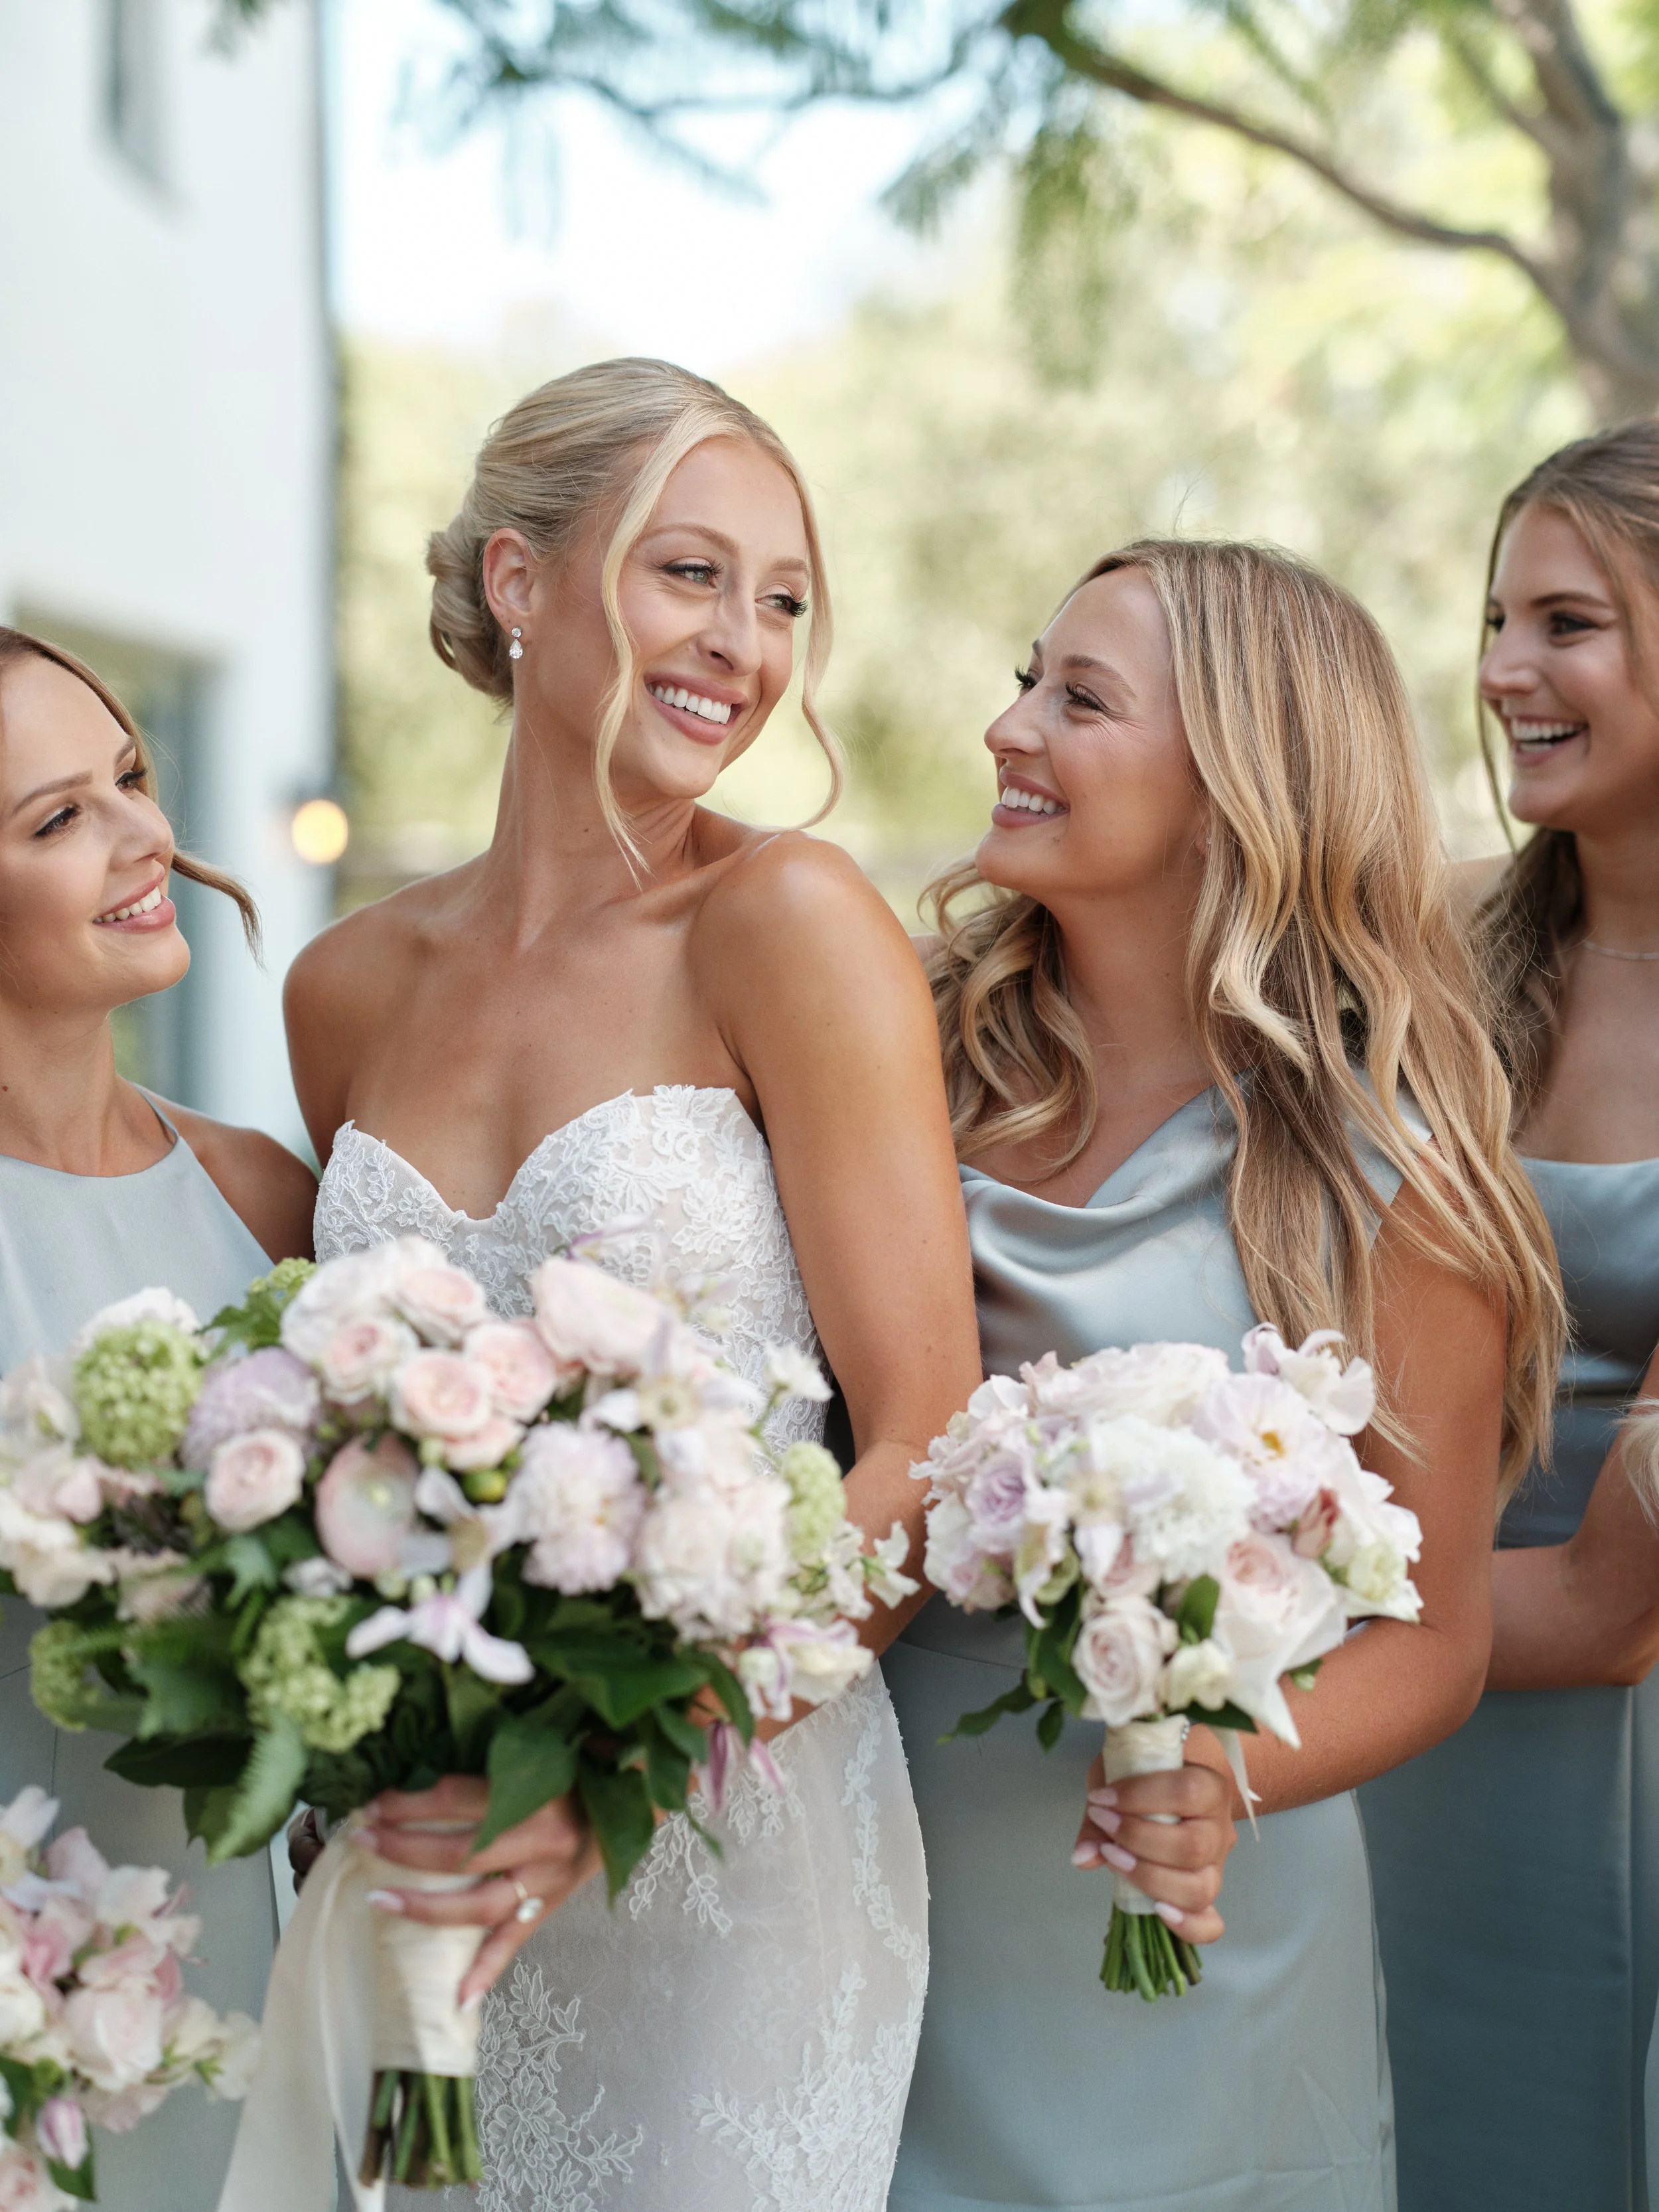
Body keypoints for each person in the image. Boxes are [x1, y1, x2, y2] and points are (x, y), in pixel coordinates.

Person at [281, 360, 1238, 2212]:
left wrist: (613, 1776)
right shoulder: (344, 988)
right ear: (517, 579)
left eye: (784, 597)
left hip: (731, 1848)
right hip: (423, 1853)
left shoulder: (786, 920)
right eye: (689, 573)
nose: (744, 642)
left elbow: (922, 1439)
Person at [882, 536, 1562, 2212]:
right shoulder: (903, 1065)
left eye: (1079, 699)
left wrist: (1218, 1767)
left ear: (1232, 787)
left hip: (1189, 1922)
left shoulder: (1388, 1177)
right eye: (1025, 681)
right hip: (874, 1879)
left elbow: (1435, 1636)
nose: (1008, 727)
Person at [1360, 421, 1659, 2212]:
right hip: (1391, 1735)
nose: (1497, 673)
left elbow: (1619, 1611)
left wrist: (1250, 1646)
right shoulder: (1437, 949)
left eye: (1565, 623)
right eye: (1493, 620)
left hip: (1593, 1729)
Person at [0, 626, 316, 2209]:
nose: (145, 835)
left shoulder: (262, 1196)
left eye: (129, 776)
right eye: (58, 817)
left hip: (243, 1987)